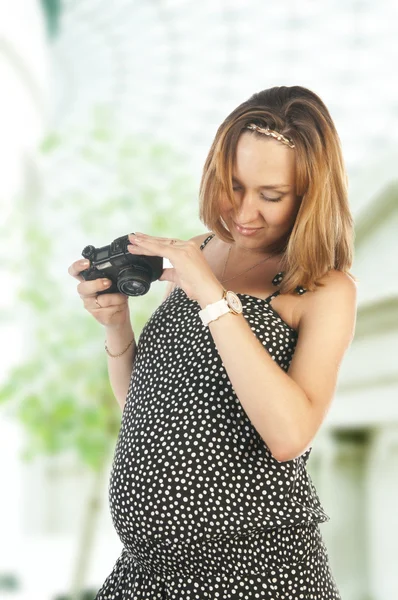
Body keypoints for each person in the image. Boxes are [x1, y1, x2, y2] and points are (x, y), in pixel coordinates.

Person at [68, 85, 357, 599]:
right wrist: (116, 325)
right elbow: (147, 407)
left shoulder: (322, 288)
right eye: (234, 186)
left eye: (271, 195)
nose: (245, 212)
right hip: (144, 574)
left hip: (255, 576)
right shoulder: (199, 251)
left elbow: (290, 435)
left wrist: (213, 296)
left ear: (308, 196)